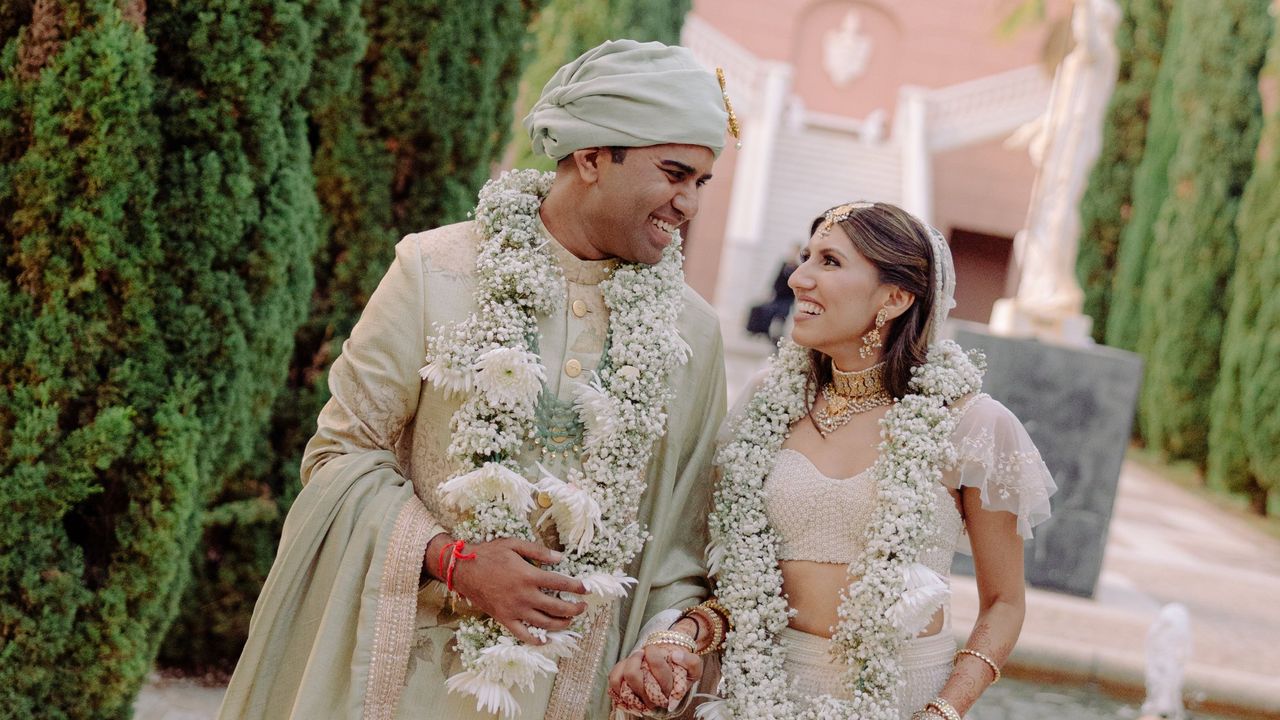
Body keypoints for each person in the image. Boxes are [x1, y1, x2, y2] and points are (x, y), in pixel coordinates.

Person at [218, 39, 734, 720]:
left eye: (701, 183)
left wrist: (668, 644)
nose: (688, 204)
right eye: (674, 173)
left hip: (568, 692)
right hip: (403, 678)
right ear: (591, 155)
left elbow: (680, 552)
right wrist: (454, 560)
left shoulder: (692, 337)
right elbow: (339, 457)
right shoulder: (436, 270)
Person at [608, 201, 1057, 719]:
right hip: (756, 689)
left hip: (899, 698)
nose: (799, 278)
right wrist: (685, 633)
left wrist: (945, 711)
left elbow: (1004, 603)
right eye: (805, 256)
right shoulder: (768, 404)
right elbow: (733, 579)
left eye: (829, 261)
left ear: (893, 297)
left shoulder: (970, 423)